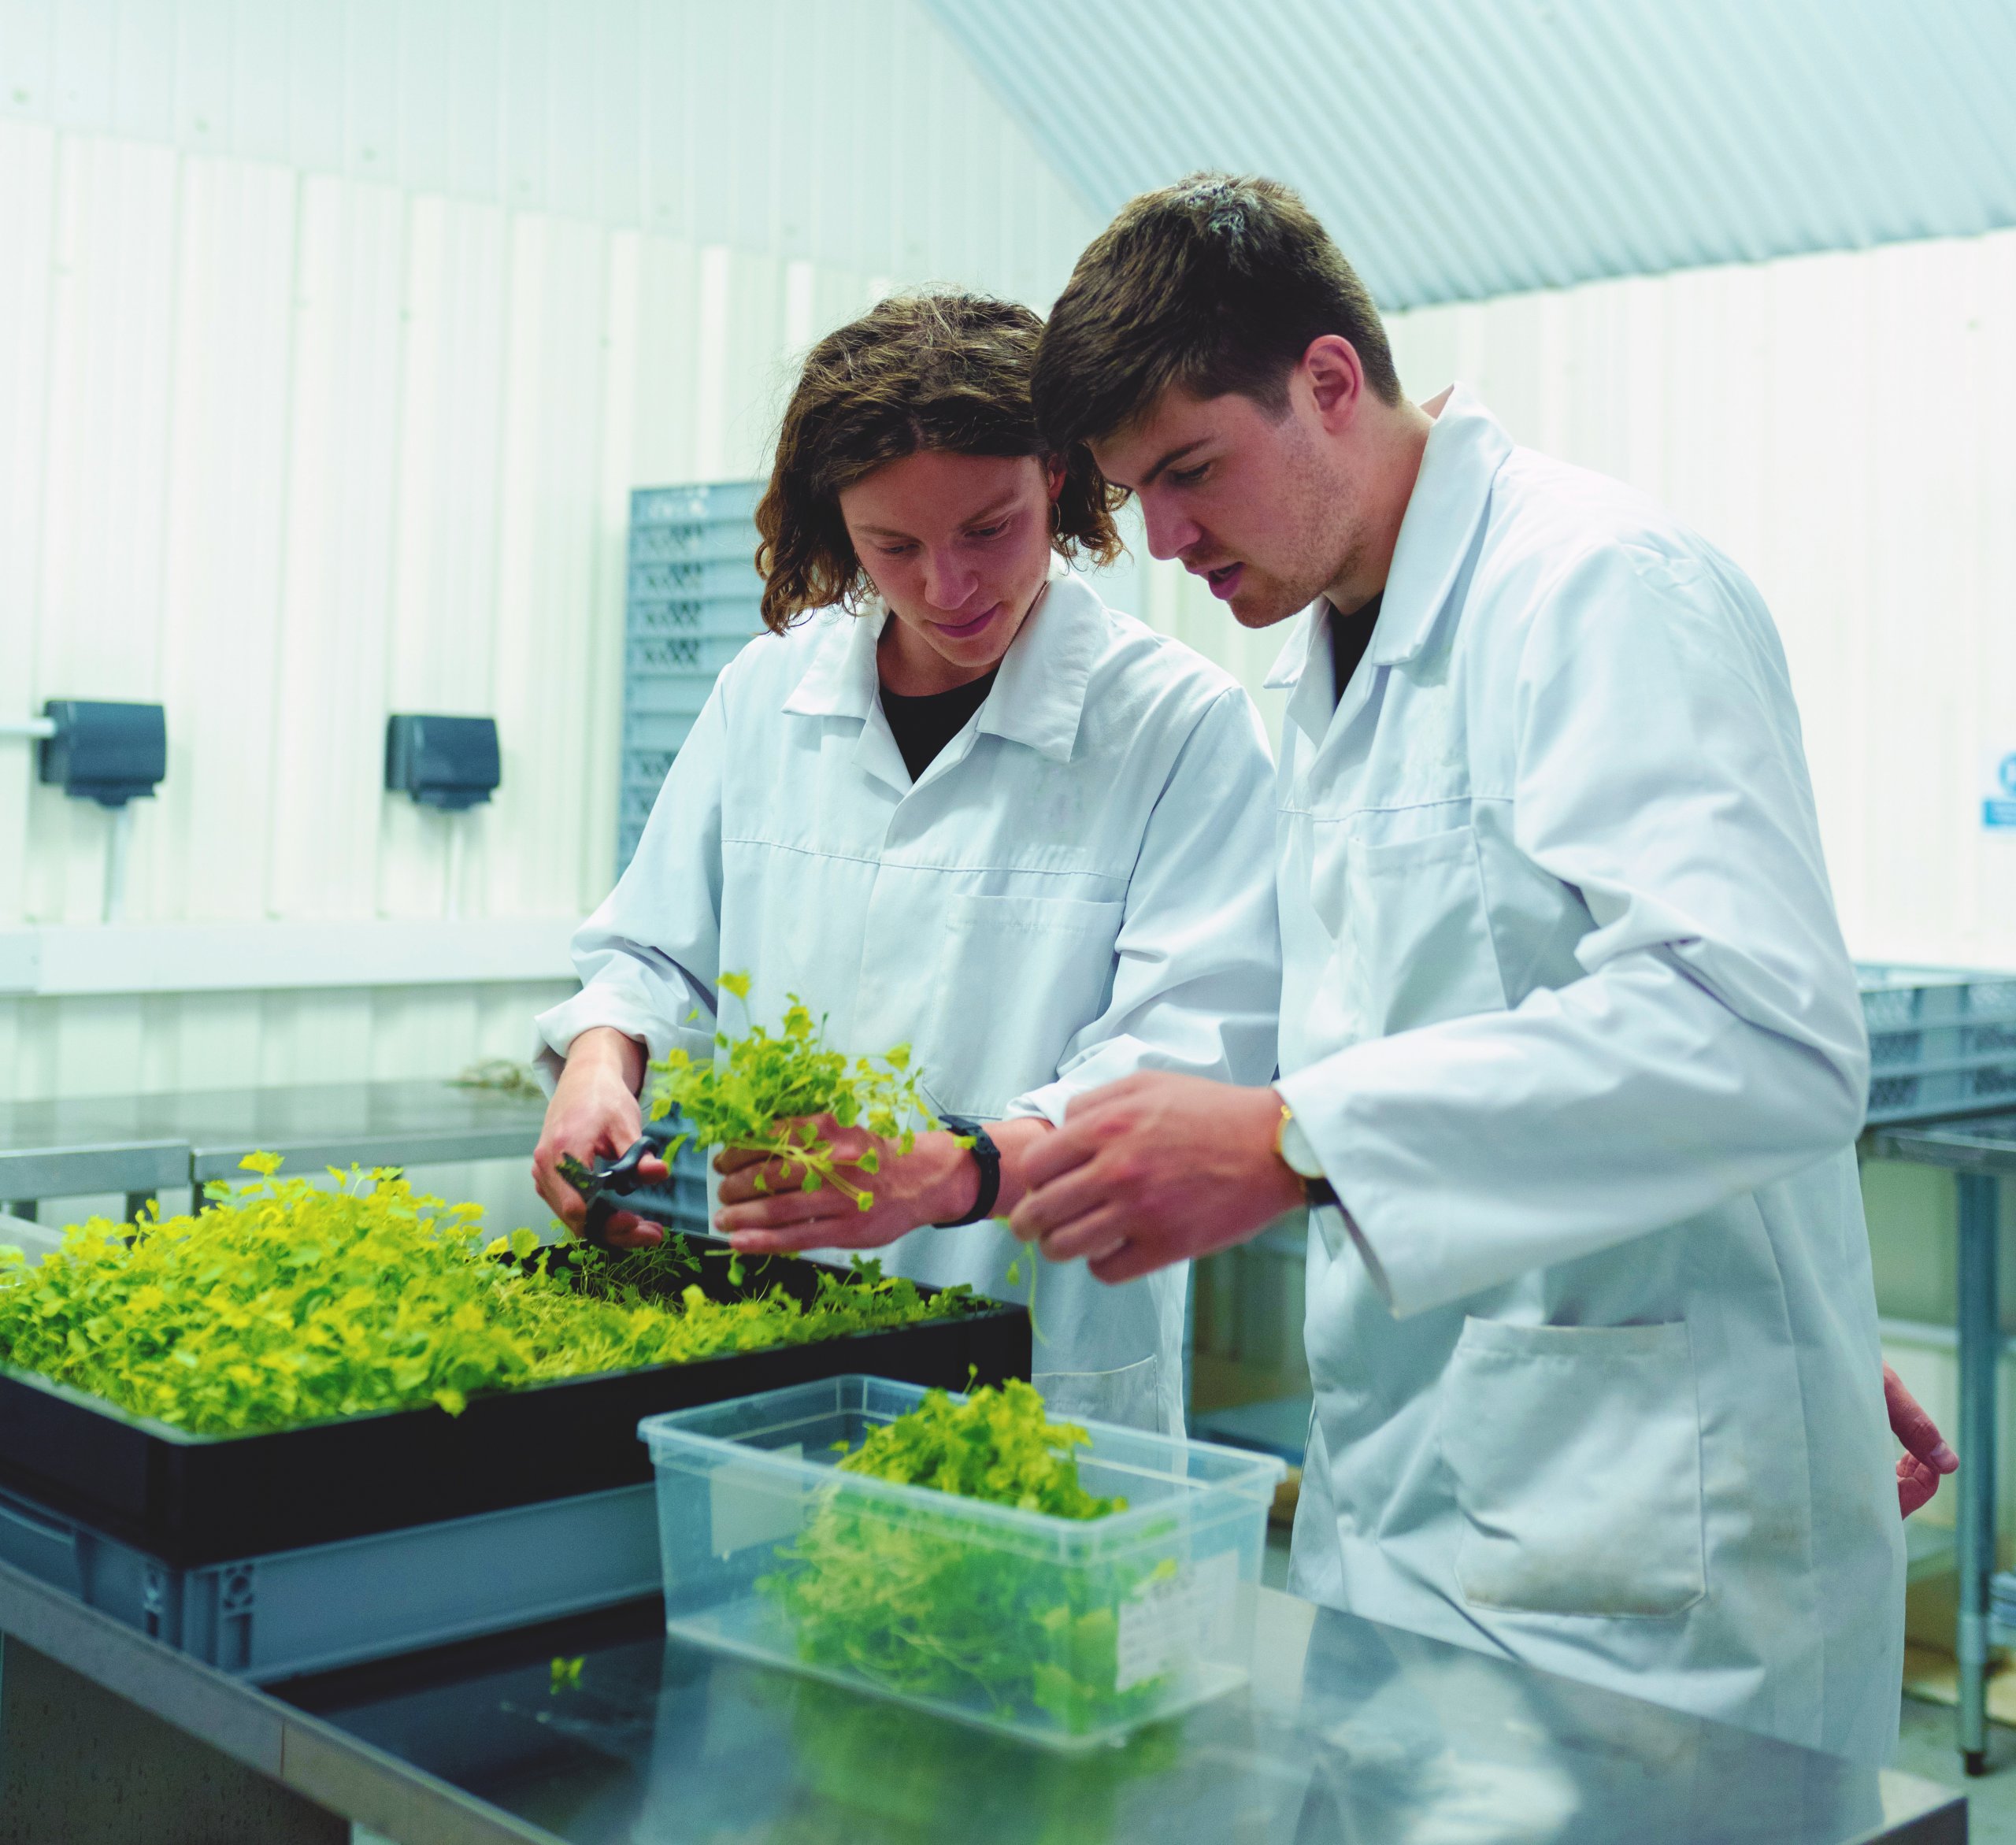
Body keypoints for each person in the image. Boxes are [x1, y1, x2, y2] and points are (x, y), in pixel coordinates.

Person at [1012, 175, 1905, 1757]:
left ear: (1330, 383)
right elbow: (1358, 1010)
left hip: (1653, 1560)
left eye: (1187, 470)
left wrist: (1297, 1137)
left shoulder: (1595, 588)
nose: (1159, 540)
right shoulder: (1326, 663)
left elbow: (1763, 1031)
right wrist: (1003, 1154)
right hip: (1413, 1508)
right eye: (1131, 492)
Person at [530, 292, 1280, 1434]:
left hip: (1041, 1357)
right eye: (894, 546)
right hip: (768, 1333)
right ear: (840, 528)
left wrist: (958, 1168)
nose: (947, 587)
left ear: (1062, 483)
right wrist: (600, 1061)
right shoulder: (766, 694)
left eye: (990, 529)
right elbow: (652, 951)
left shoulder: (1178, 725)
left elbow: (1188, 1054)